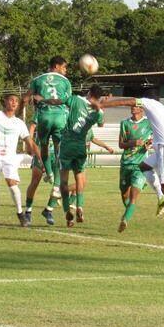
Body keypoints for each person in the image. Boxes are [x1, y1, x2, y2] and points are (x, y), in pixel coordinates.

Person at [51, 85, 132, 227]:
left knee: (63, 181)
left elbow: (60, 101)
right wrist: (101, 106)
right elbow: (101, 124)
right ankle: (80, 206)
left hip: (67, 146)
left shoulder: (76, 100)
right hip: (81, 147)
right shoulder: (98, 112)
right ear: (99, 97)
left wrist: (44, 100)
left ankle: (66, 212)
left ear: (88, 92)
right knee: (80, 178)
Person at [0, 94, 41, 230]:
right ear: (5, 102)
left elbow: (29, 142)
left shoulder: (19, 123)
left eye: (16, 101)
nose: (14, 103)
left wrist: (39, 158)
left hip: (10, 158)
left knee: (13, 186)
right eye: (11, 100)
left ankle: (20, 213)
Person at [22, 56, 72, 188]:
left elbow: (25, 99)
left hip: (44, 116)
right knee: (59, 151)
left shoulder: (37, 80)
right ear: (56, 66)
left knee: (43, 147)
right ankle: (56, 185)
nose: (66, 70)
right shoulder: (66, 82)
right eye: (64, 67)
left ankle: (49, 173)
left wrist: (17, 113)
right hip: (60, 117)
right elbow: (67, 102)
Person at [118, 104, 164, 231]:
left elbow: (156, 137)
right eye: (132, 105)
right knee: (124, 194)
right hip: (126, 163)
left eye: (136, 106)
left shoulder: (149, 123)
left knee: (134, 195)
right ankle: (127, 212)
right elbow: (121, 144)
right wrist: (133, 143)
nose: (133, 107)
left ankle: (125, 219)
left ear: (141, 110)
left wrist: (149, 143)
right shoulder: (124, 123)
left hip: (140, 165)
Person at [24, 109, 61, 225]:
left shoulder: (63, 110)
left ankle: (48, 210)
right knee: (35, 181)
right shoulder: (41, 111)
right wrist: (29, 145)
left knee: (58, 184)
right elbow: (32, 128)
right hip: (41, 151)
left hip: (57, 154)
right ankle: (28, 211)